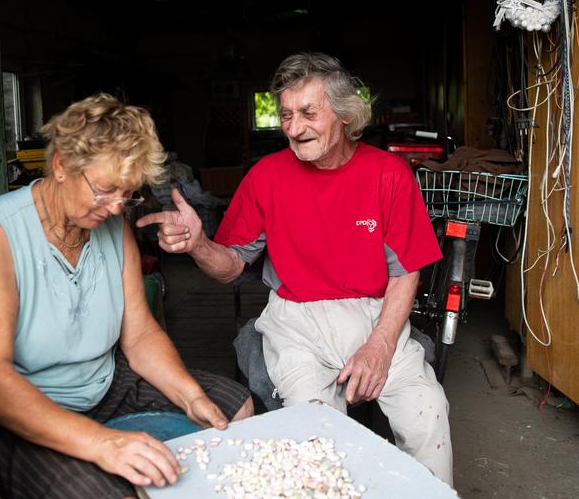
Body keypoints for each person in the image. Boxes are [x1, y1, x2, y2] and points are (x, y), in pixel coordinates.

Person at [137, 53, 453, 485]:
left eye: (308, 112)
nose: (294, 127)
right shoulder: (266, 176)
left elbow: (405, 271)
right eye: (286, 114)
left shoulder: (389, 174)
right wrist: (199, 245)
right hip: (296, 321)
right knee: (315, 434)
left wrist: (379, 347)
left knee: (427, 412)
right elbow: (230, 268)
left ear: (344, 115)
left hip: (377, 316)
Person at [0, 93, 254, 499]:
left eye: (128, 194)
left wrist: (190, 396)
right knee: (103, 491)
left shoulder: (112, 225)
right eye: (104, 190)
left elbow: (138, 336)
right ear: (61, 166)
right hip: (7, 411)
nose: (116, 207)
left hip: (99, 383)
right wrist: (101, 443)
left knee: (233, 407)